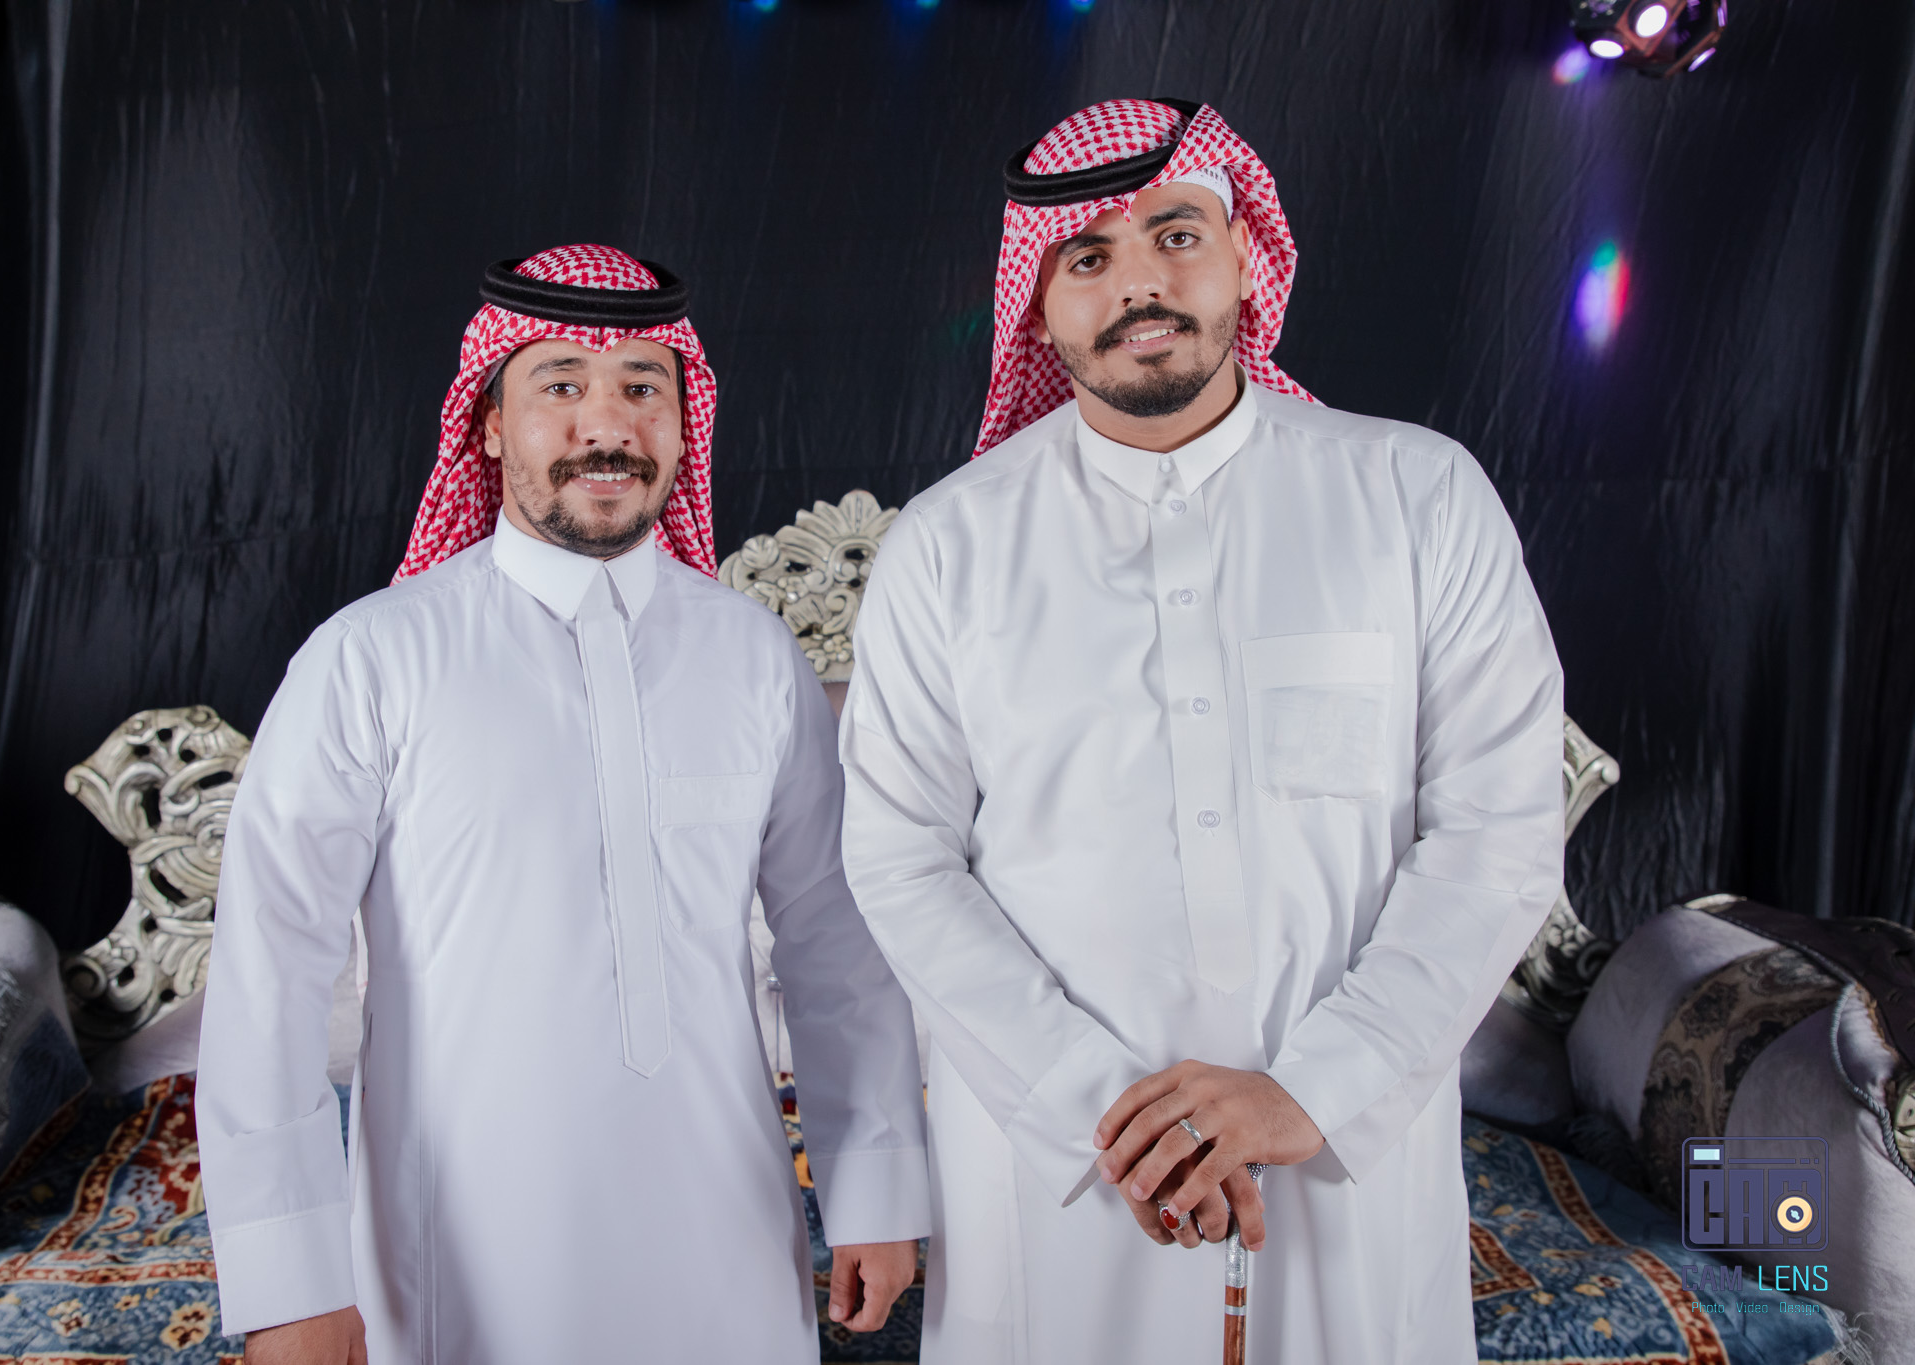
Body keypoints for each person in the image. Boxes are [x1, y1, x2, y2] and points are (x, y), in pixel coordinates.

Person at [838, 99, 1564, 1363]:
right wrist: (1104, 1111)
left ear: (1244, 255)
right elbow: (900, 859)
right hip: (1061, 1161)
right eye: (1088, 256)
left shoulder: (1416, 497)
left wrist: (1312, 1089)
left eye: (1176, 235)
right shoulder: (947, 546)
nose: (1139, 283)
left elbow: (1495, 832)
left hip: (1345, 1146)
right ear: (1037, 304)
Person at [197, 245, 929, 1365]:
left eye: (642, 386)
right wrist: (290, 1280)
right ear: (490, 424)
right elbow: (270, 975)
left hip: (726, 1231)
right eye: (561, 385)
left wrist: (872, 1186)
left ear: (682, 420)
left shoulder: (751, 655)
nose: (608, 424)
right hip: (463, 1249)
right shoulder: (370, 660)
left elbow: (835, 937)